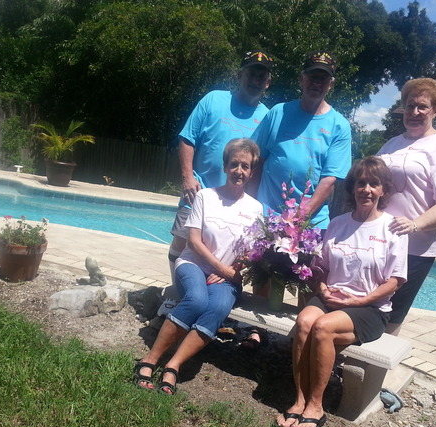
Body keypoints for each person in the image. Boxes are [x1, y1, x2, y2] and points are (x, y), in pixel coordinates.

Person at [276, 156, 408, 427]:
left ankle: (315, 405)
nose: (366, 190)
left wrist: (356, 301)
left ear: (384, 190)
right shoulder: (337, 224)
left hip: (369, 308)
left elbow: (396, 280)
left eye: (374, 184)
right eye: (361, 183)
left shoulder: (393, 228)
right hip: (330, 297)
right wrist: (322, 289)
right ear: (352, 188)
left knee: (323, 328)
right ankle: (299, 398)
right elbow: (319, 268)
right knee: (304, 323)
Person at [135, 139, 263, 394]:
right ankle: (150, 360)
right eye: (234, 164)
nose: (239, 170)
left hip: (226, 276)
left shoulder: (255, 208)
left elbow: (253, 251)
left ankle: (173, 365)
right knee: (195, 299)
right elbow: (193, 240)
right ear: (225, 166)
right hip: (193, 264)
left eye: (245, 166)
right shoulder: (206, 196)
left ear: (251, 171)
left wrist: (233, 270)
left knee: (216, 307)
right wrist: (220, 267)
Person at [167, 50, 274, 279]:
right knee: (181, 241)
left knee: (225, 252)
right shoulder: (213, 99)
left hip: (235, 201)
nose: (255, 80)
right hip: (199, 191)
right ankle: (175, 295)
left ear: (268, 82)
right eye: (251, 74)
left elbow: (260, 162)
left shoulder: (267, 117)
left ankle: (207, 296)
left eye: (261, 77)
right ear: (239, 75)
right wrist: (187, 177)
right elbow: (187, 138)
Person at [377, 78, 436, 335]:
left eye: (422, 107)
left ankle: (377, 371)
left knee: (394, 310)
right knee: (369, 301)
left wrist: (415, 225)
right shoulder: (392, 144)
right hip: (381, 240)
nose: (415, 112)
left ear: (435, 111)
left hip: (415, 248)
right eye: (410, 106)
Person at [251, 51, 352, 229]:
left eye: (323, 79)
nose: (317, 83)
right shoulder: (278, 113)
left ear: (331, 84)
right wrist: (249, 206)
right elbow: (256, 161)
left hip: (310, 225)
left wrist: (297, 219)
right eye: (312, 77)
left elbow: (329, 181)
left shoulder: (340, 126)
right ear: (302, 79)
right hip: (265, 217)